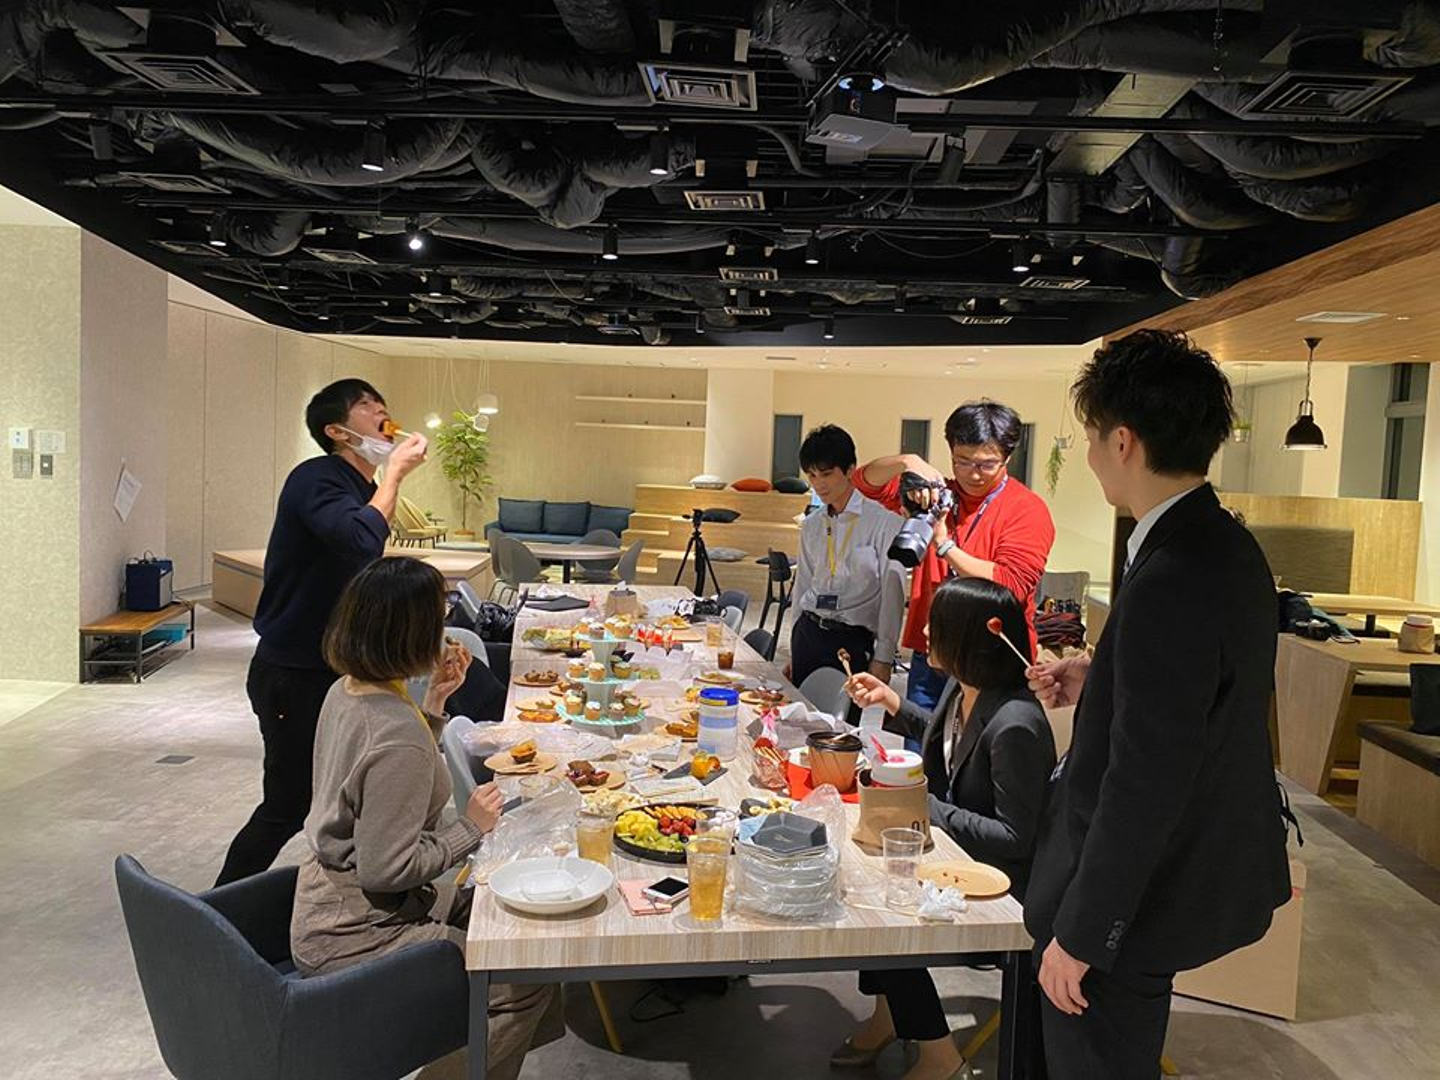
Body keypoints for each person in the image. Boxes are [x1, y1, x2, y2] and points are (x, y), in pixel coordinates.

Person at [1024, 330, 1292, 1080]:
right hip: (1182, 871)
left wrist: (1084, 933)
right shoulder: (1223, 542)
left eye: (1090, 438)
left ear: (1122, 441)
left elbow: (1147, 780)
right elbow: (1203, 700)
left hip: (1139, 899)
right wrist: (1101, 680)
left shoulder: (1172, 572)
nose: (1088, 455)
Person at [292, 557, 560, 1080]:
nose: (445, 628)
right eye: (438, 618)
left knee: (515, 917)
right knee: (524, 975)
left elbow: (379, 784)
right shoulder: (397, 735)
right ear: (412, 632)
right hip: (358, 932)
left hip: (328, 903)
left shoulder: (346, 690)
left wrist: (433, 704)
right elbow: (386, 870)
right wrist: (471, 827)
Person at [835, 578, 1057, 1080]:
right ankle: (888, 1015)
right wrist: (891, 701)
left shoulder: (1016, 724)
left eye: (938, 624)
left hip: (1006, 887)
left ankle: (940, 1056)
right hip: (957, 856)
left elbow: (1017, 838)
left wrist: (923, 805)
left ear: (969, 639)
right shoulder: (964, 688)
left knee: (887, 915)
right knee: (867, 877)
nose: (927, 632)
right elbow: (945, 740)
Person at [216, 379, 429, 885]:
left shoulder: (360, 488)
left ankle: (349, 896)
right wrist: (395, 474)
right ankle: (215, 907)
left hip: (333, 668)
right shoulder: (316, 478)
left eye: (383, 404)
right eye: (366, 407)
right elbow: (359, 540)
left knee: (348, 795)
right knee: (288, 804)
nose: (381, 412)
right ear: (337, 431)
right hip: (293, 672)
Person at [854, 402, 1055, 713]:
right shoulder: (938, 497)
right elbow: (865, 482)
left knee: (981, 742)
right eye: (962, 461)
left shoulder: (1026, 509)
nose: (973, 474)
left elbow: (1012, 585)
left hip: (991, 656)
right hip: (933, 652)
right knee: (921, 739)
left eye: (987, 464)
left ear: (1007, 457)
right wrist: (908, 462)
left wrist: (944, 545)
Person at [787, 424, 907, 701]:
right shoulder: (812, 524)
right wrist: (794, 645)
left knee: (841, 724)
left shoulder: (883, 522)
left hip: (852, 639)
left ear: (851, 469)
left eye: (827, 474)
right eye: (812, 475)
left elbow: (892, 593)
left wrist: (884, 656)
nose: (819, 484)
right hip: (808, 633)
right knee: (799, 717)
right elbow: (803, 583)